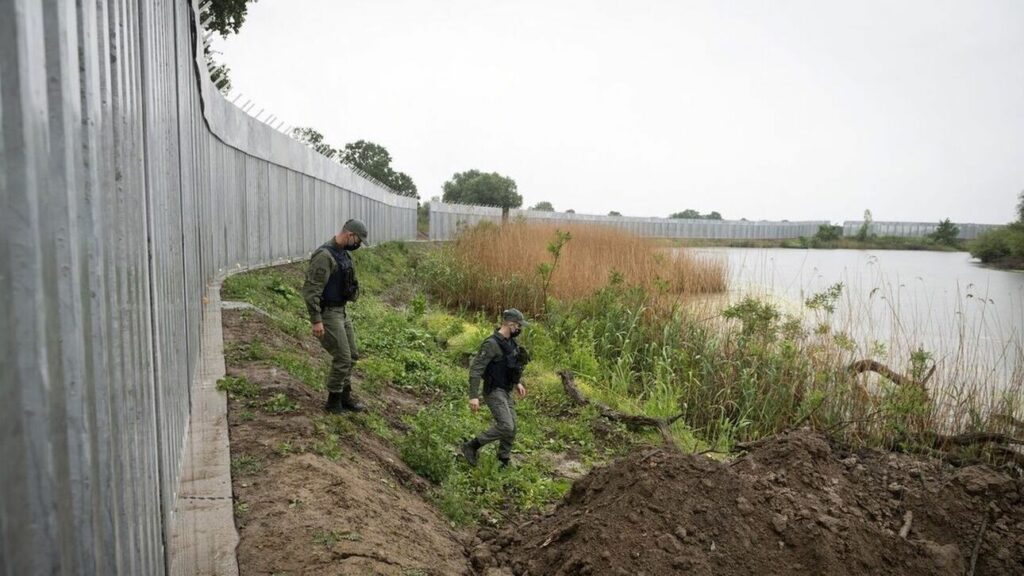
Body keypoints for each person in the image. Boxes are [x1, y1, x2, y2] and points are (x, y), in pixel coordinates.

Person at [301, 218, 368, 414]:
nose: (358, 245)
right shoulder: (324, 256)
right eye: (358, 240)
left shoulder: (343, 254)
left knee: (352, 355)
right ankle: (333, 401)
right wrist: (316, 321)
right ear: (350, 235)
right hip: (328, 314)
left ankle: (345, 397)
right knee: (343, 357)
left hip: (341, 311)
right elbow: (311, 291)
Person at [461, 309, 531, 469]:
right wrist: (473, 396)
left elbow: (511, 366)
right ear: (510, 324)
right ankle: (471, 446)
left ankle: (503, 460)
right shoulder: (491, 344)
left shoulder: (511, 343)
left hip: (506, 390)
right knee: (506, 425)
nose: (520, 329)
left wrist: (518, 383)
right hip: (494, 391)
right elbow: (476, 370)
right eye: (519, 326)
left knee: (512, 427)